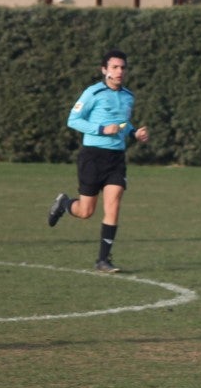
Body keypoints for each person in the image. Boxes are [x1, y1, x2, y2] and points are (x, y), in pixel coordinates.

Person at [46, 49, 150, 273]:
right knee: (86, 212)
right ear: (105, 70)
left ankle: (103, 260)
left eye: (122, 67)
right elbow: (73, 120)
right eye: (114, 67)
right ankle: (64, 203)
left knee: (113, 204)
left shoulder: (128, 96)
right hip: (92, 156)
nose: (119, 71)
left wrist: (134, 134)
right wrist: (102, 129)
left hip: (116, 158)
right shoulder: (93, 93)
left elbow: (123, 123)